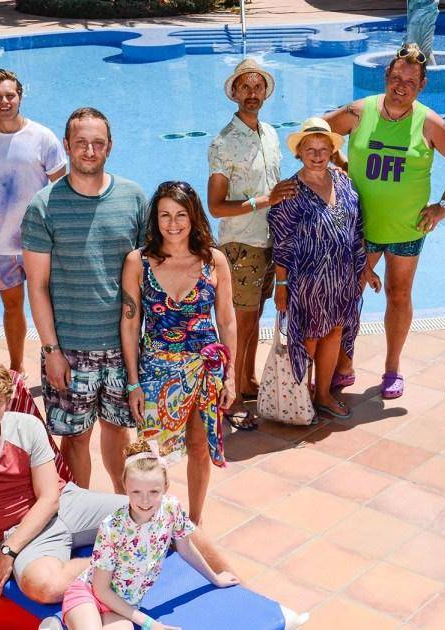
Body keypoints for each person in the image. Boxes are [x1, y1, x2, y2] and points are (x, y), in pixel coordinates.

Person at [323, 42, 445, 400]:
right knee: (348, 295)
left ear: (422, 85)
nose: (401, 86)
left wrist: (443, 206)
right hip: (360, 226)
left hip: (407, 228)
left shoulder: (430, 122)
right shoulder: (360, 112)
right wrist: (340, 165)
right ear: (385, 77)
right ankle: (344, 364)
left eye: (410, 81)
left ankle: (392, 367)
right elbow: (317, 133)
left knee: (399, 294)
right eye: (396, 78)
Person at [0, 361, 127, 604]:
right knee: (45, 587)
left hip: (67, 505)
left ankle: (125, 560)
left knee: (155, 511)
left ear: (6, 402)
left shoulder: (27, 426)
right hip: (22, 532)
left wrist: (8, 551)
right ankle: (124, 563)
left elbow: (50, 498)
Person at [22, 107, 149, 493]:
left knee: (119, 432)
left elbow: (149, 274)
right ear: (66, 145)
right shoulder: (44, 206)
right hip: (70, 349)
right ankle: (82, 515)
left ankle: (124, 508)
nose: (89, 151)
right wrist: (51, 351)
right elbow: (37, 286)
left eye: (97, 143)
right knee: (75, 439)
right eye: (81, 143)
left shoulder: (133, 198)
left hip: (121, 346)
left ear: (110, 146)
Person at [120, 181, 237, 525]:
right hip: (155, 371)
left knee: (198, 448)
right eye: (165, 215)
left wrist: (230, 375)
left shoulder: (213, 261)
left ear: (193, 216)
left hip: (204, 371)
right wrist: (133, 382)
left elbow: (227, 320)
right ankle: (149, 523)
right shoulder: (138, 262)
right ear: (154, 219)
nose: (173, 224)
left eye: (181, 215)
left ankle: (194, 523)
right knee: (150, 455)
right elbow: (130, 323)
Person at [206, 58, 296, 430]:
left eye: (258, 87)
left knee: (254, 318)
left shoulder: (271, 134)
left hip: (268, 240)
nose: (252, 93)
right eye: (245, 87)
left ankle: (246, 379)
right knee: (239, 324)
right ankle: (232, 395)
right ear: (234, 93)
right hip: (240, 244)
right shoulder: (224, 142)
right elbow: (215, 206)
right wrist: (264, 201)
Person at [62, 441, 240, 630]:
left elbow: (186, 549)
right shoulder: (112, 527)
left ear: (166, 486)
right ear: (125, 487)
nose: (145, 500)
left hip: (121, 608)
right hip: (88, 595)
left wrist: (215, 578)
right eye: (136, 492)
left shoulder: (171, 508)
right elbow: (101, 590)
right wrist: (150, 624)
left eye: (154, 492)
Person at [268, 119, 377, 420]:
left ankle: (324, 395)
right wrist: (281, 286)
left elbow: (356, 229)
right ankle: (301, 399)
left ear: (331, 152)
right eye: (310, 150)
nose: (317, 155)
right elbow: (281, 244)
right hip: (307, 281)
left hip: (342, 277)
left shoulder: (343, 182)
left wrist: (365, 270)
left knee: (335, 331)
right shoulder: (290, 191)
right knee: (309, 337)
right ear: (299, 153)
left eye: (323, 149)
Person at [0, 68, 67, 373]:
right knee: (11, 308)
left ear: (20, 97)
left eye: (10, 95)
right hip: (1, 243)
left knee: (50, 308)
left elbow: (62, 193)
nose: (5, 102)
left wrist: (61, 239)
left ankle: (56, 366)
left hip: (40, 242)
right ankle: (17, 369)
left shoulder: (43, 138)